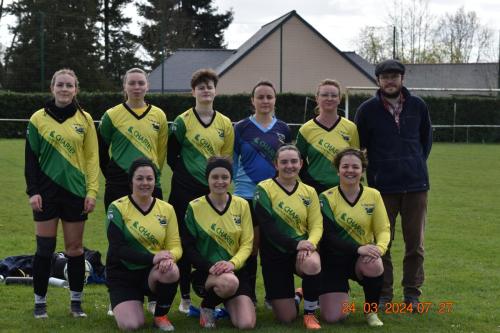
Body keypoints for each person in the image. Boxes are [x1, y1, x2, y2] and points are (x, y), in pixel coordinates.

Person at [354, 59, 432, 306]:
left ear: (402, 79)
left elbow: (425, 141)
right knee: (382, 244)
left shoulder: (418, 106)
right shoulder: (366, 110)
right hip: (382, 189)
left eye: (394, 76)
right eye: (385, 77)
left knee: (415, 245)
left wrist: (414, 163)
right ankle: (384, 294)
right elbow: (361, 147)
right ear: (378, 81)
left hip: (415, 186)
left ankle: (412, 294)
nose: (390, 81)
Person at [25, 68, 99, 318]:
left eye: (69, 85)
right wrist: (32, 191)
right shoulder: (38, 118)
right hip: (45, 194)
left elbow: (91, 158)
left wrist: (91, 191)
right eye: (60, 85)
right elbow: (31, 160)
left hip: (75, 193)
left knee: (75, 249)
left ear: (76, 89)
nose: (65, 89)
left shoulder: (85, 119)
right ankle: (39, 304)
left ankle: (76, 304)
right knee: (44, 249)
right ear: (52, 88)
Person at [167, 68, 234, 312]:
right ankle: (185, 299)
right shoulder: (182, 121)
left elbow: (225, 159)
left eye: (210, 86)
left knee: (216, 239)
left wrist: (212, 182)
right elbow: (171, 156)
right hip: (184, 191)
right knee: (185, 243)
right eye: (201, 87)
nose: (206, 90)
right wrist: (189, 177)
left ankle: (219, 293)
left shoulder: (225, 123)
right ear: (193, 91)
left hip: (213, 192)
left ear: (215, 91)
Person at [105, 157, 181, 331]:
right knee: (132, 325)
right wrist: (154, 258)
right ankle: (124, 301)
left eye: (149, 178)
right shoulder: (116, 208)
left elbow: (176, 245)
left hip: (151, 273)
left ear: (155, 181)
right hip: (123, 275)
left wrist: (170, 257)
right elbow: (118, 249)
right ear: (131, 181)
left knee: (171, 270)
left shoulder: (167, 209)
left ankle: (160, 316)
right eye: (139, 178)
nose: (145, 183)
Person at [233, 80, 291, 304]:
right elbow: (233, 161)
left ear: (275, 100)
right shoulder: (241, 127)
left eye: (269, 97)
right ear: (252, 101)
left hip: (273, 198)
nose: (265, 101)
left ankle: (272, 296)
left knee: (272, 248)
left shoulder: (283, 129)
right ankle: (249, 297)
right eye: (260, 97)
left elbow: (288, 163)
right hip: (245, 196)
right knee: (249, 248)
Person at [318, 148, 390, 327]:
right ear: (338, 170)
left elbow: (383, 229)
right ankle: (305, 291)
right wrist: (357, 248)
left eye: (355, 167)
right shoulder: (326, 197)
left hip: (361, 258)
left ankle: (371, 311)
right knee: (334, 317)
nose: (350, 170)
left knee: (374, 262)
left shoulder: (373, 195)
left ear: (363, 170)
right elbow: (328, 237)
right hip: (333, 260)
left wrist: (378, 249)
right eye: (345, 166)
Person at [253, 145, 323, 329]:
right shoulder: (264, 189)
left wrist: (309, 244)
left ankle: (309, 314)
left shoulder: (309, 191)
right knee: (286, 318)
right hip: (274, 255)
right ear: (276, 164)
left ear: (300, 164)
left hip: (301, 251)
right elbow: (268, 229)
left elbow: (316, 225)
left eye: (294, 161)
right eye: (284, 162)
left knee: (313, 263)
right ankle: (299, 295)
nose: (289, 166)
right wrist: (296, 245)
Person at [182, 156, 255, 329]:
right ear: (207, 178)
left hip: (236, 271)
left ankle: (226, 304)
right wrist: (210, 267)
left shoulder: (242, 205)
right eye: (215, 177)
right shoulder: (194, 207)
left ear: (231, 179)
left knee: (246, 324)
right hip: (206, 274)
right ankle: (207, 306)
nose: (220, 181)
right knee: (228, 282)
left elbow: (247, 244)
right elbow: (188, 247)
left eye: (225, 177)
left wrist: (232, 263)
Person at [98, 67, 168, 211]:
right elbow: (101, 151)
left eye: (141, 83)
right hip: (118, 184)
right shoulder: (111, 115)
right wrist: (113, 175)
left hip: (149, 183)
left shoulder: (159, 115)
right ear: (124, 86)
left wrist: (152, 175)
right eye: (132, 83)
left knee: (152, 230)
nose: (137, 87)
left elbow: (161, 153)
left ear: (147, 86)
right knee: (118, 230)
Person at [296, 79, 359, 194]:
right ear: (317, 98)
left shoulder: (351, 128)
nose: (329, 98)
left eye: (334, 95)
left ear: (339, 99)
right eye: (324, 95)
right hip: (315, 190)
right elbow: (299, 161)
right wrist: (311, 183)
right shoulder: (306, 129)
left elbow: (356, 160)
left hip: (344, 189)